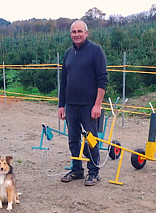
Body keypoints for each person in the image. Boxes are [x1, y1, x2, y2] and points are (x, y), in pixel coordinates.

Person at [58, 20, 108, 186]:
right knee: (73, 139)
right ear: (70, 34)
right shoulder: (68, 53)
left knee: (91, 139)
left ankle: (93, 172)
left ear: (86, 33)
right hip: (71, 105)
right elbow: (64, 81)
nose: (77, 35)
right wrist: (61, 105)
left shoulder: (96, 51)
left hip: (89, 105)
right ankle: (77, 170)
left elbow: (102, 80)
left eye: (80, 31)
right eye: (74, 32)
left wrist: (97, 104)